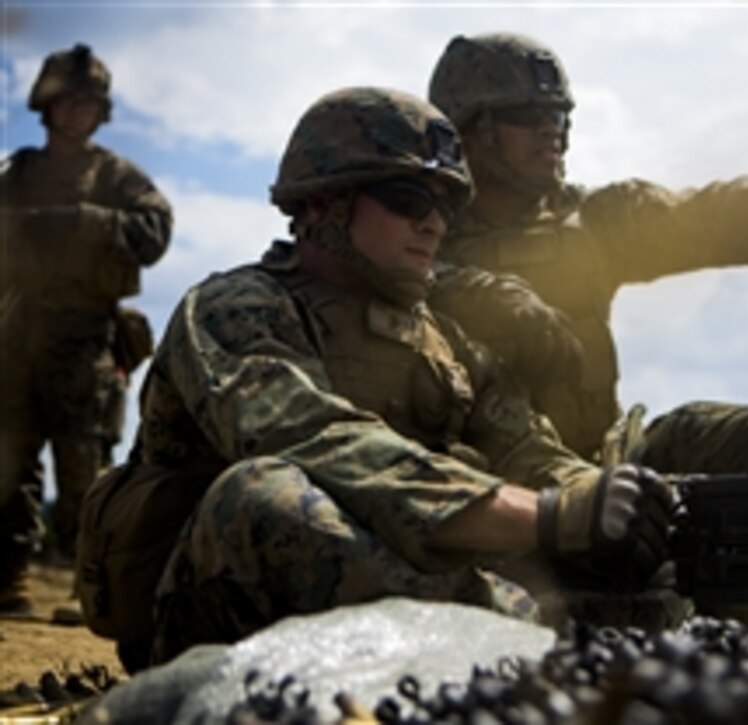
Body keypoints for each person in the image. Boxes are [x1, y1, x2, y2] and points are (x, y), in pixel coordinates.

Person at [77, 87, 672, 670]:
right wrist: (546, 516)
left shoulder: (443, 340)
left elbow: (524, 446)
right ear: (321, 205)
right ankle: (521, 644)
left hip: (393, 604)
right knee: (263, 495)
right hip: (219, 627)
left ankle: (526, 642)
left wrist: (609, 502)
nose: (435, 224)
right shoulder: (235, 306)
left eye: (446, 207)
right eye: (409, 199)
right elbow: (314, 438)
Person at [426, 32, 748, 473]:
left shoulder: (592, 221)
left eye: (558, 114)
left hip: (595, 466)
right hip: (474, 482)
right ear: (470, 131)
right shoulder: (409, 227)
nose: (550, 129)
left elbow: (701, 217)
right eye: (527, 114)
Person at [0, 43, 172, 616]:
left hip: (84, 336)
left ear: (100, 112)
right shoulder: (17, 171)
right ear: (45, 107)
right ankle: (9, 581)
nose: (75, 111)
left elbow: (154, 230)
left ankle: (87, 586)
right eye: (65, 101)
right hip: (16, 332)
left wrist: (84, 224)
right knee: (9, 461)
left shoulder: (118, 176)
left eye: (86, 102)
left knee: (84, 466)